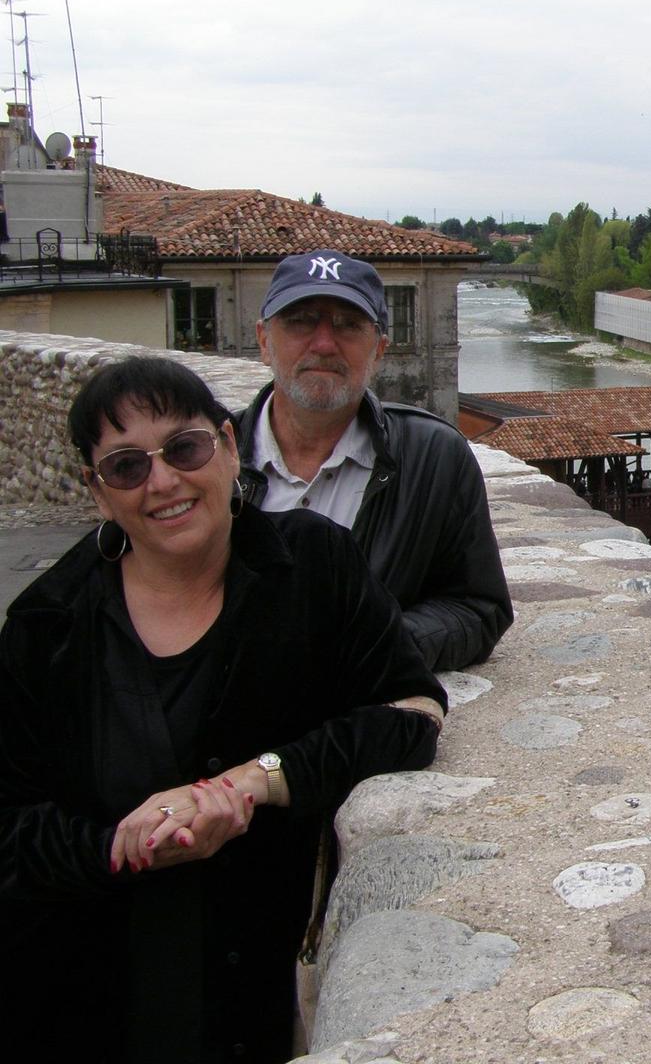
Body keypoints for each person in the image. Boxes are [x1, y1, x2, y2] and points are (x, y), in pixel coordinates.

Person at [0, 357, 447, 1062]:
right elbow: (9, 828)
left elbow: (410, 716)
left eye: (185, 448)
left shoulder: (311, 568)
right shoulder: (46, 624)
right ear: (97, 492)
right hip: (82, 998)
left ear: (229, 447)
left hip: (249, 1001)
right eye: (125, 467)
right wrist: (125, 845)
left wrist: (253, 780)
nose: (163, 482)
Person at [234, 249, 512, 672]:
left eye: (348, 325)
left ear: (379, 348)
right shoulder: (205, 460)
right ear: (263, 341)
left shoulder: (435, 458)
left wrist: (378, 645)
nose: (325, 344)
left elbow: (479, 608)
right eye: (301, 320)